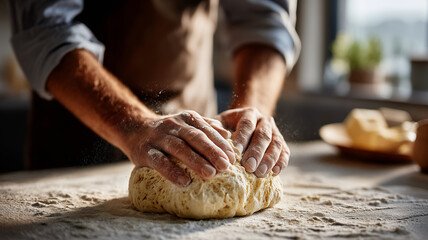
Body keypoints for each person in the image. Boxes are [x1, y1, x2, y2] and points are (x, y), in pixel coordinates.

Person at [8, 0, 300, 186]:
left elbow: (263, 18)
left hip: (195, 109)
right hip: (78, 121)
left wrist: (251, 119)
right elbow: (47, 29)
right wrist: (132, 123)